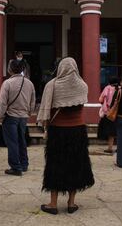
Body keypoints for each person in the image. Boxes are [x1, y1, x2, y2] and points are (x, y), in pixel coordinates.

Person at [37, 57, 94, 215]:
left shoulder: (52, 85)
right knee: (75, 165)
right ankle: (71, 203)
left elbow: (46, 110)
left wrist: (45, 128)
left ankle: (53, 204)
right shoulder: (83, 85)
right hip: (78, 131)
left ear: (61, 68)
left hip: (58, 131)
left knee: (55, 165)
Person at [0, 59, 36, 176]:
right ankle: (24, 164)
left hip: (10, 116)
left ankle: (15, 167)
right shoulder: (29, 83)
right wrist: (29, 112)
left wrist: (0, 116)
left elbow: (2, 102)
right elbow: (33, 101)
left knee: (12, 142)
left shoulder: (7, 83)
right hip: (23, 116)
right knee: (22, 140)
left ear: (10, 69)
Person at [97, 76, 120, 154]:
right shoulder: (120, 89)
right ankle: (119, 147)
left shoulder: (107, 88)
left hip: (109, 113)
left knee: (110, 131)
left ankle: (110, 148)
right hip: (118, 112)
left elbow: (100, 99)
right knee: (117, 130)